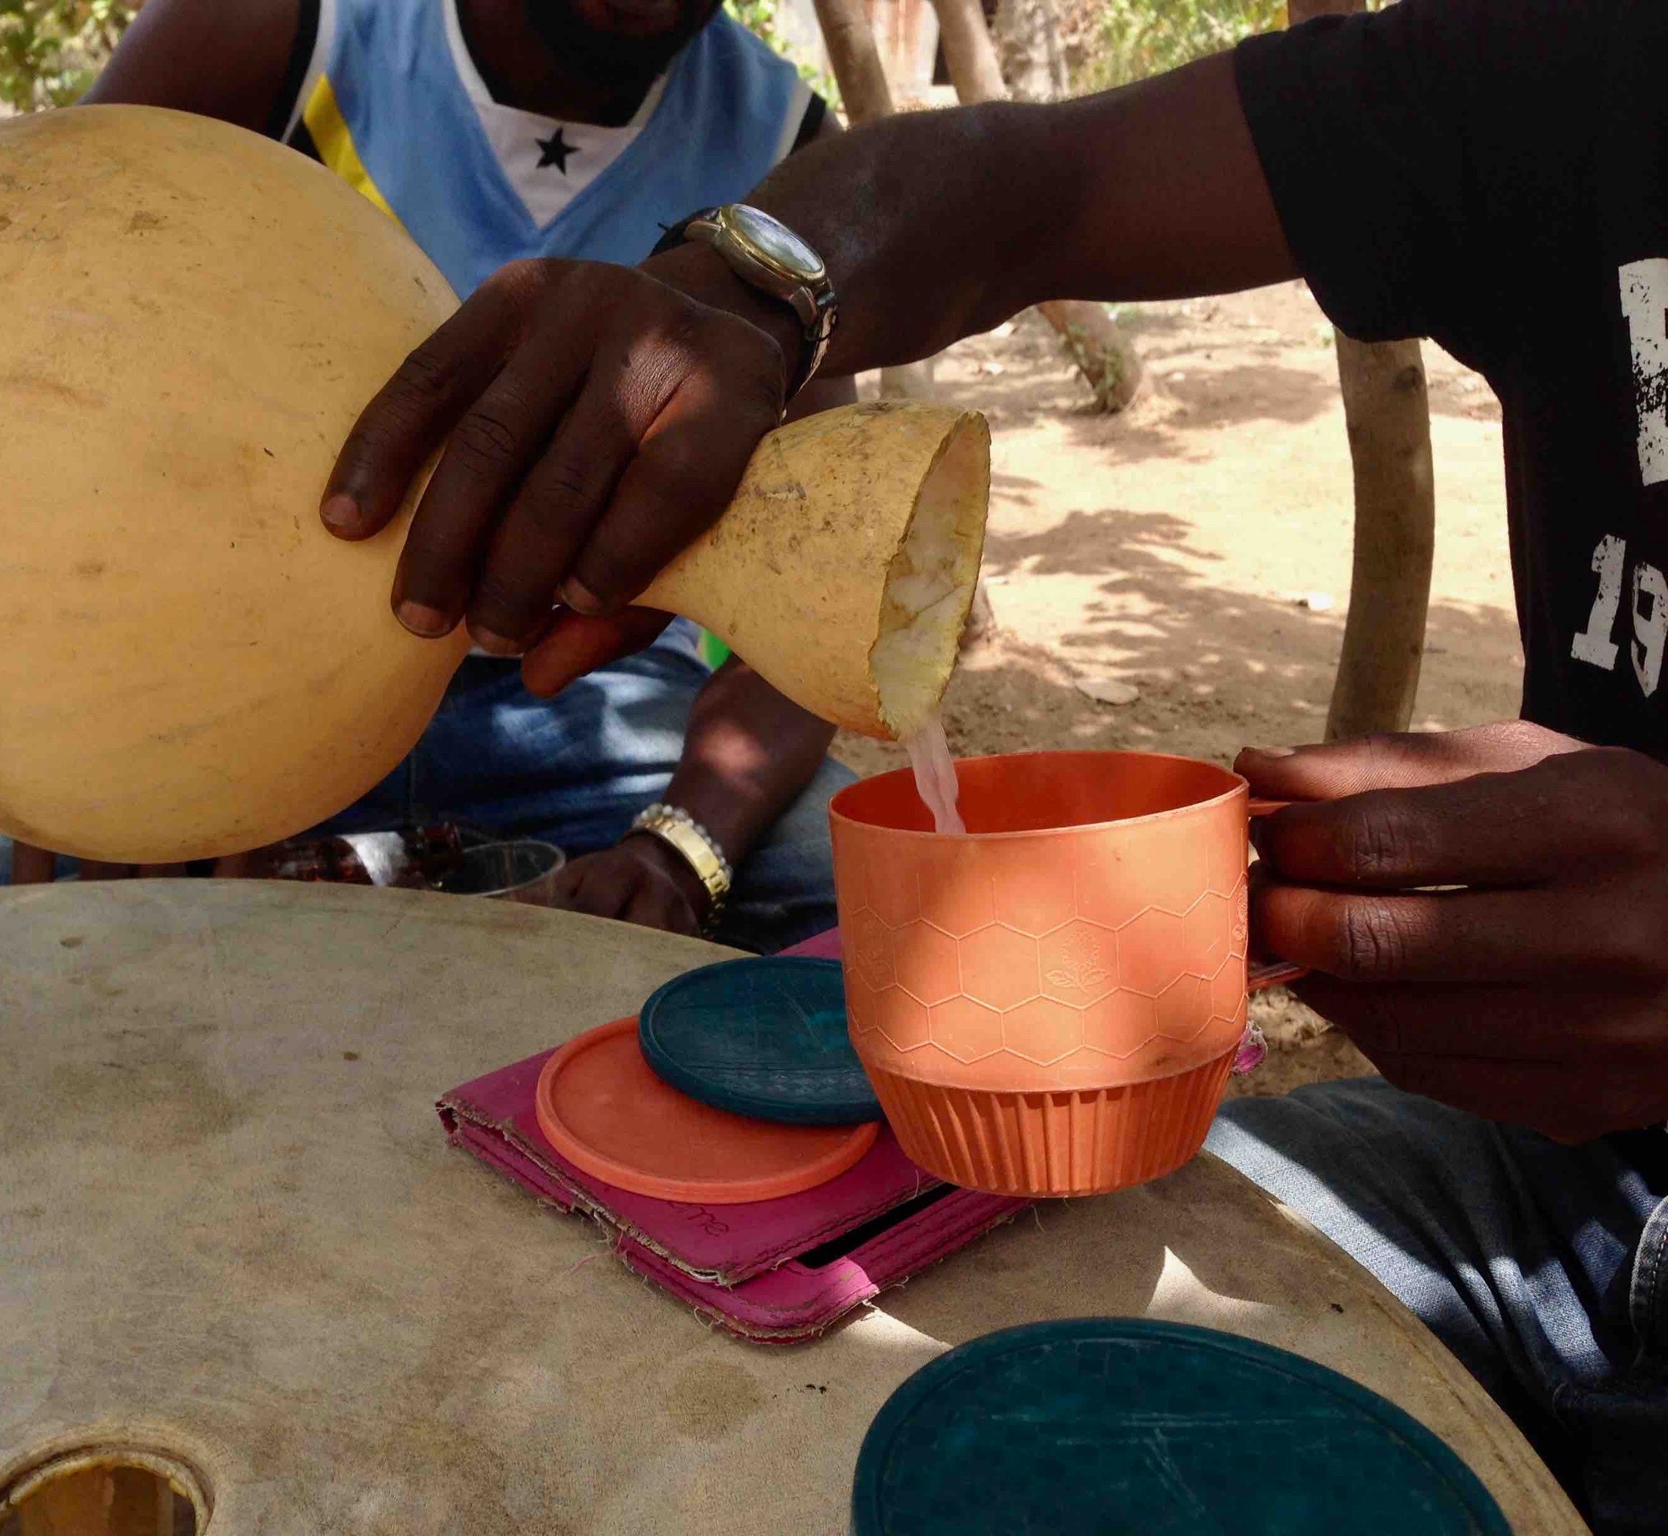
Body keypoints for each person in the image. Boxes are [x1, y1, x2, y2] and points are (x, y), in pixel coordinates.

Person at [316, 1, 1668, 1527]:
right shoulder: (1581, 62)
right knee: (942, 1371)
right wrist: (740, 292)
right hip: (1554, 1185)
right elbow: (1044, 185)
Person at [0, 0, 858, 953]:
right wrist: (97, 774)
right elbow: (10, 379)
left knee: (865, 919)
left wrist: (682, 848)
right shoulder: (276, 36)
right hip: (210, 701)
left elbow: (805, 569)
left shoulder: (782, 147)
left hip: (598, 707)